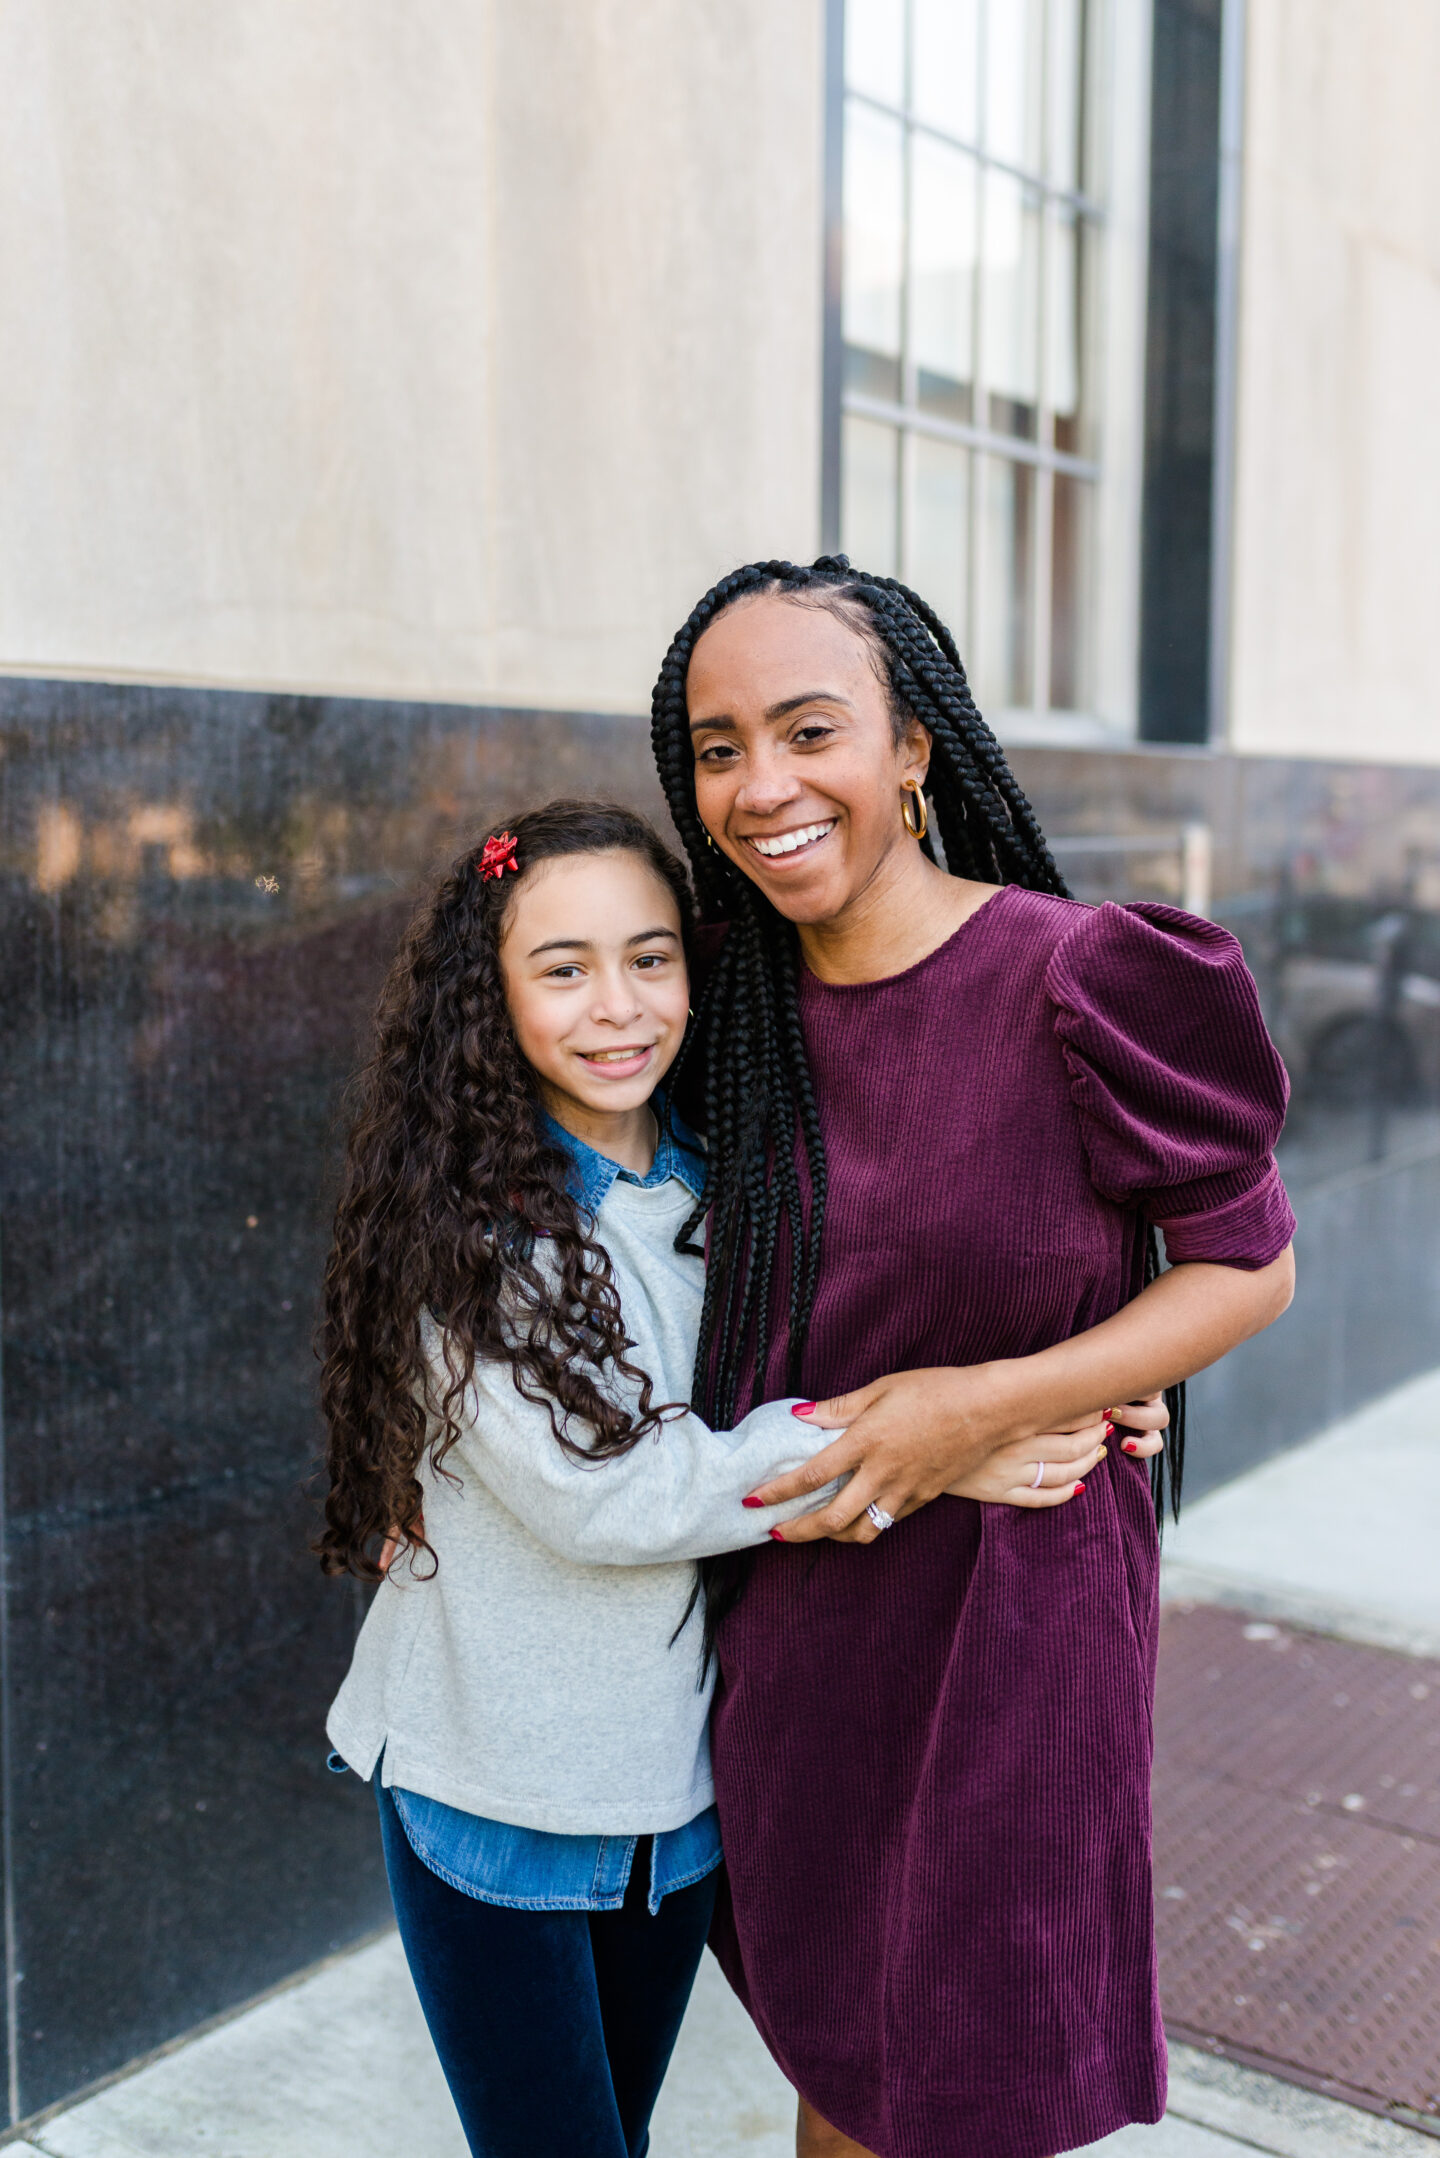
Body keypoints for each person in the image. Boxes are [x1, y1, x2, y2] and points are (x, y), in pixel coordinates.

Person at [313, 800, 1112, 2158]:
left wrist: (1053, 1382)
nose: (617, 1006)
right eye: (562, 968)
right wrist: (937, 1443)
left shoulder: (719, 1176)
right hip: (495, 1797)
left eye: (651, 956)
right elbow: (620, 1492)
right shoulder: (482, 1232)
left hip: (673, 1799)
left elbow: (886, 1306)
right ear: (488, 999)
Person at [647, 556, 1297, 2158]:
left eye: (811, 729)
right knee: (848, 2060)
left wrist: (1000, 1396)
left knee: (967, 2068)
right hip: (799, 1597)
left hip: (1016, 1615)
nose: (761, 784)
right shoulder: (719, 1007)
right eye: (719, 746)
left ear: (916, 746)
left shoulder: (1079, 977)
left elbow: (1250, 1266)